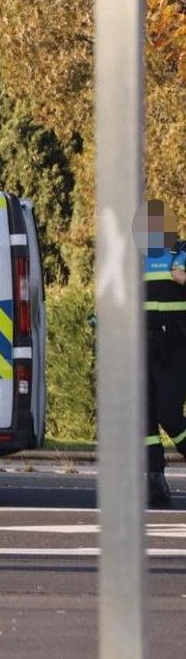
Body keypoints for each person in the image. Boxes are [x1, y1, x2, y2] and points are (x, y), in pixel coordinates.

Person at [142, 204, 186, 510]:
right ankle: (154, 480)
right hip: (142, 344)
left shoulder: (182, 253)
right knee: (144, 415)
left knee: (169, 414)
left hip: (176, 343)